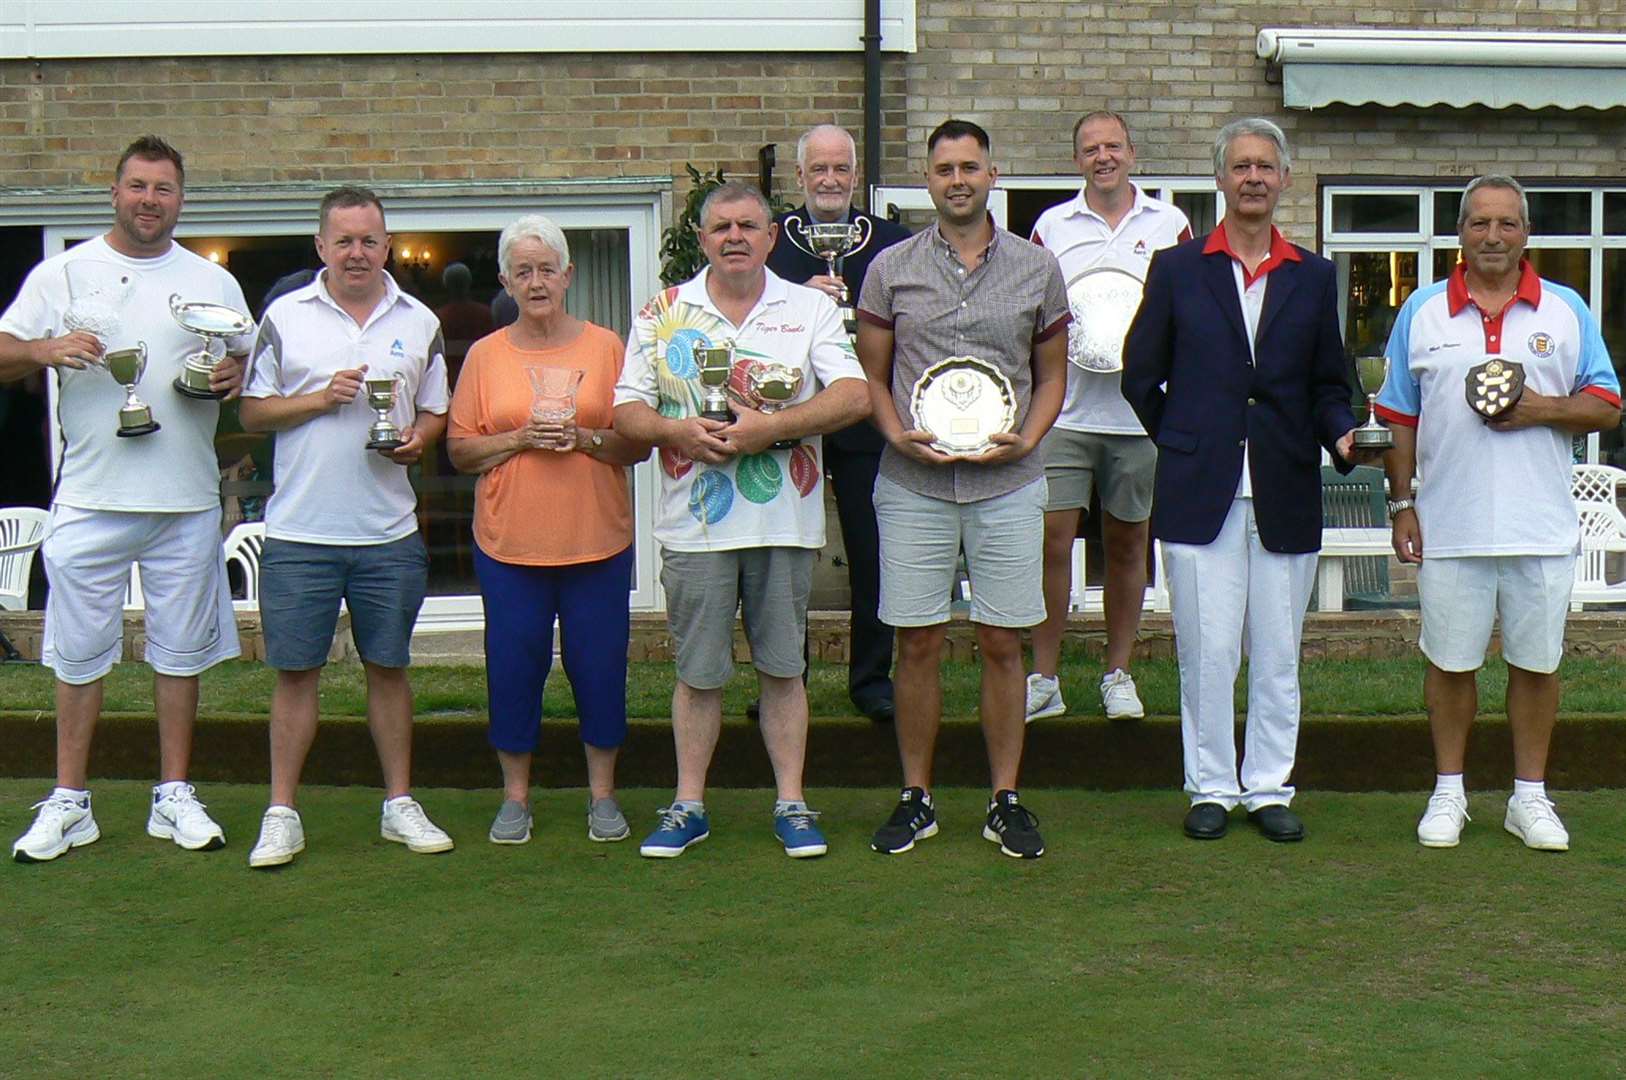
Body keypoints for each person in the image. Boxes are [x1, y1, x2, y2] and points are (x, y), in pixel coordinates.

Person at [2, 135, 249, 863]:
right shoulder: (64, 273)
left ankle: (173, 794)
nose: (150, 200)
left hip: (186, 499)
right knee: (77, 655)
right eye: (138, 186)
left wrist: (235, 376)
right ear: (114, 192)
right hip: (91, 495)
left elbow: (243, 363)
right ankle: (70, 800)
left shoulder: (213, 283)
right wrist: (45, 351)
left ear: (181, 199)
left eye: (164, 188)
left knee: (180, 656)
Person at [1121, 117, 1366, 844]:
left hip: (1286, 482)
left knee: (1278, 650)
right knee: (1208, 648)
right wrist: (1182, 435)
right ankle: (1210, 786)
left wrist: (1342, 432)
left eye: (1266, 166)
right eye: (1241, 166)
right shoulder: (1178, 267)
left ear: (1285, 179)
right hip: (1202, 488)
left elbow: (1331, 381)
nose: (1254, 177)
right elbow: (1141, 374)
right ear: (1220, 180)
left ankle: (1267, 786)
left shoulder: (1314, 275)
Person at [613, 180, 870, 859]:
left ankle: (792, 802)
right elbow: (625, 411)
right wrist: (677, 432)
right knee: (698, 672)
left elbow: (854, 396)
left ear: (767, 236)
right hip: (694, 524)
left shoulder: (809, 308)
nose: (735, 236)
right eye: (721, 226)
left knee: (784, 669)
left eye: (748, 226)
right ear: (701, 239)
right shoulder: (663, 312)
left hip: (783, 521)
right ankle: (687, 805)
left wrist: (772, 428)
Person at [1375, 174, 1621, 852]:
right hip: (1450, 522)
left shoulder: (1566, 309)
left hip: (1540, 523)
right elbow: (1397, 416)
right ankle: (1449, 792)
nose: (1493, 235)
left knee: (1536, 664)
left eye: (1507, 223)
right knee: (1450, 663)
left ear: (1526, 233)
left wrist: (1536, 408)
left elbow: (1606, 403)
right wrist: (1402, 503)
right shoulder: (1422, 310)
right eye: (1479, 222)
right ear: (1460, 233)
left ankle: (1529, 798)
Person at [856, 119, 1070, 860]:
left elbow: (1052, 376)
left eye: (970, 167)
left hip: (1008, 481)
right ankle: (916, 797)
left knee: (1002, 640)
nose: (957, 180)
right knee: (914, 640)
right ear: (928, 178)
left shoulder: (1036, 267)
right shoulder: (891, 267)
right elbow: (874, 377)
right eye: (944, 168)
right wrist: (894, 432)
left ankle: (1004, 799)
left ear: (992, 174)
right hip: (915, 480)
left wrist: (1030, 436)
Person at [238, 186, 453, 868]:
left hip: (387, 532)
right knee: (295, 674)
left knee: (388, 669)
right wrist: (317, 398)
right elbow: (251, 413)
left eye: (369, 240)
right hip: (301, 532)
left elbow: (435, 409)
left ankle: (398, 804)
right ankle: (282, 813)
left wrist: (420, 439)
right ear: (321, 246)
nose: (357, 252)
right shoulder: (285, 316)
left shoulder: (419, 320)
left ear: (386, 246)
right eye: (344, 240)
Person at [446, 214, 651, 845]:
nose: (536, 282)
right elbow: (458, 451)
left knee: (600, 669)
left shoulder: (606, 346)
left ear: (569, 275)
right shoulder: (485, 355)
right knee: (512, 669)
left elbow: (636, 445)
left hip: (598, 541)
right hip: (510, 546)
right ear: (506, 279)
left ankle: (603, 795)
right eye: (522, 271)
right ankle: (515, 797)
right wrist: (518, 438)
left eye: (547, 269)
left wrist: (586, 437)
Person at [1026, 110, 1191, 723]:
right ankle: (1043, 677)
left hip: (1139, 414)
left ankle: (1118, 672)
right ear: (1078, 160)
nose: (1103, 157)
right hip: (1065, 411)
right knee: (1051, 542)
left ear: (1132, 153)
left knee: (1128, 543)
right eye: (1091, 149)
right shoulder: (1052, 225)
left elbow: (1183, 308)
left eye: (1113, 146)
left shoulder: (1169, 223)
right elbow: (1037, 311)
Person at [767, 124, 910, 723]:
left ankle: (871, 679)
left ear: (856, 175)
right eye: (817, 169)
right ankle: (783, 681)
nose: (829, 180)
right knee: (780, 559)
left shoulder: (892, 243)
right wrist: (798, 296)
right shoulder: (769, 244)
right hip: (785, 423)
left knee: (872, 553)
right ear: (799, 177)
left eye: (840, 169)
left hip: (867, 419)